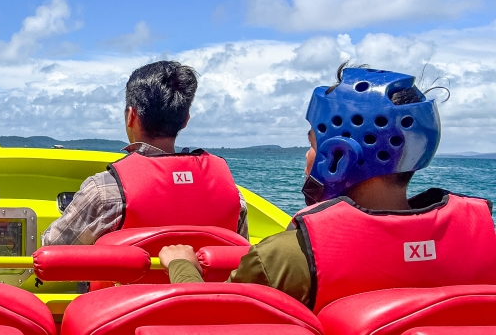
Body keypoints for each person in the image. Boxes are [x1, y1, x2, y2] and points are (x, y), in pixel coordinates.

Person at [160, 64, 496, 312]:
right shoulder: (483, 242)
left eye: (311, 144)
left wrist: (181, 264)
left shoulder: (288, 257)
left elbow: (210, 320)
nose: (308, 155)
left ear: (336, 158)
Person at [42, 60, 249, 246]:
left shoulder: (104, 190)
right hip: (209, 290)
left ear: (131, 116)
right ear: (185, 120)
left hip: (122, 290)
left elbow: (51, 248)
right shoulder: (231, 193)